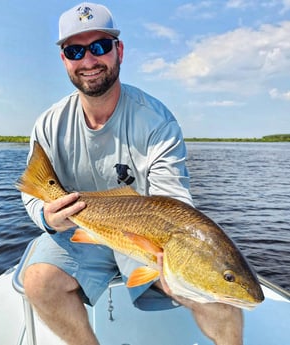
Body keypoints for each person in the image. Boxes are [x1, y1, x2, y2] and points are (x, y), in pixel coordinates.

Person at [21, 3, 243, 345]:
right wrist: (48, 217)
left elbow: (173, 202)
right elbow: (33, 190)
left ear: (118, 50)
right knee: (38, 281)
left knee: (221, 298)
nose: (89, 60)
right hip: (80, 233)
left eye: (99, 47)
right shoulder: (49, 123)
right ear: (64, 59)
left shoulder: (157, 120)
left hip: (148, 243)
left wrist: (171, 261)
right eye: (75, 50)